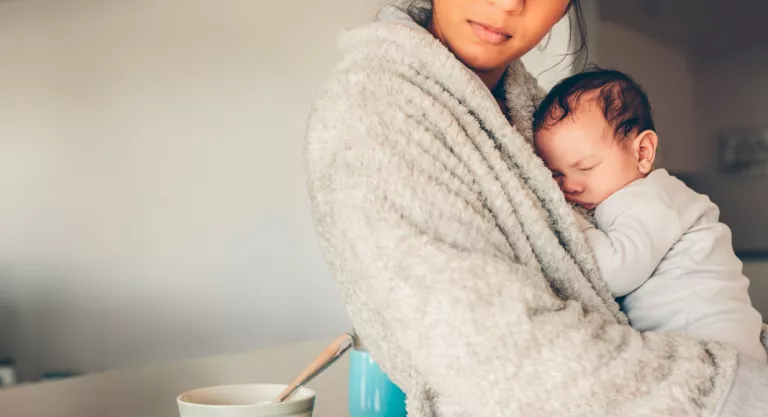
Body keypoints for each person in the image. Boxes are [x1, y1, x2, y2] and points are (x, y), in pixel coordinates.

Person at [304, 0, 768, 415]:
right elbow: (490, 352)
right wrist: (732, 386)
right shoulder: (377, 109)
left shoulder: (530, 115)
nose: (507, 3)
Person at [534, 68, 767, 363]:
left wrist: (571, 221)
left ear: (642, 152)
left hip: (715, 346)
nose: (570, 186)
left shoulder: (652, 199)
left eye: (586, 167)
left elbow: (616, 273)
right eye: (556, 173)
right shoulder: (634, 196)